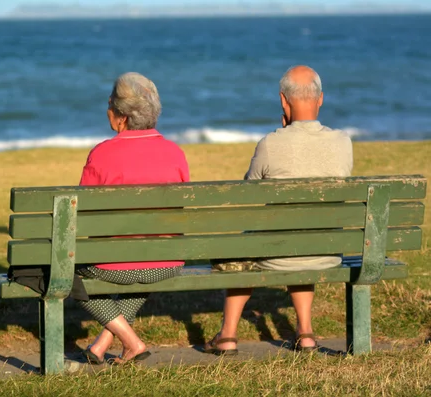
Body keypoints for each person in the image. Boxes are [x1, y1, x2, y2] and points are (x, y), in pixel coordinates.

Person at [205, 65, 353, 355]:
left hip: (279, 253)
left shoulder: (271, 144)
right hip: (327, 251)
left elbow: (247, 192)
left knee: (245, 244)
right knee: (308, 228)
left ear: (283, 101)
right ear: (320, 99)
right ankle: (306, 333)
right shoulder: (343, 142)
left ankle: (228, 335)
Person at [78, 72, 190, 364]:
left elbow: (82, 214)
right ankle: (101, 345)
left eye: (111, 105)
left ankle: (131, 342)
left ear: (122, 118)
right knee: (147, 256)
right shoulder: (175, 153)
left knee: (66, 275)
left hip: (115, 266)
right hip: (166, 264)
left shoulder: (102, 154)